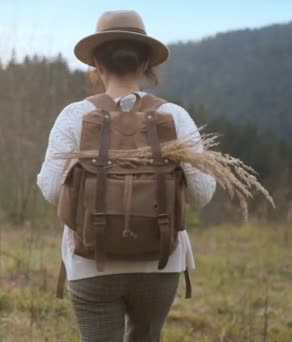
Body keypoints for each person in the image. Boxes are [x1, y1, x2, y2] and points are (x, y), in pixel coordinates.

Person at [37, 10, 216, 342]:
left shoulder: (75, 116)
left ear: (97, 64)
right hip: (160, 263)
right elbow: (203, 191)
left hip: (91, 264)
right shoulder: (173, 116)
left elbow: (50, 189)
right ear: (146, 63)